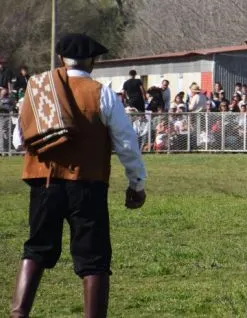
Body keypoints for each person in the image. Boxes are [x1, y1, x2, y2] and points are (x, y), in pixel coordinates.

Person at [8, 33, 147, 318]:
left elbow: (16, 141)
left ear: (61, 59)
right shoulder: (101, 92)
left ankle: (18, 313)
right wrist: (136, 182)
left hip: (44, 183)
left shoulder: (37, 90)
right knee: (94, 259)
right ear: (92, 61)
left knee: (36, 248)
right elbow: (125, 142)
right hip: (88, 184)